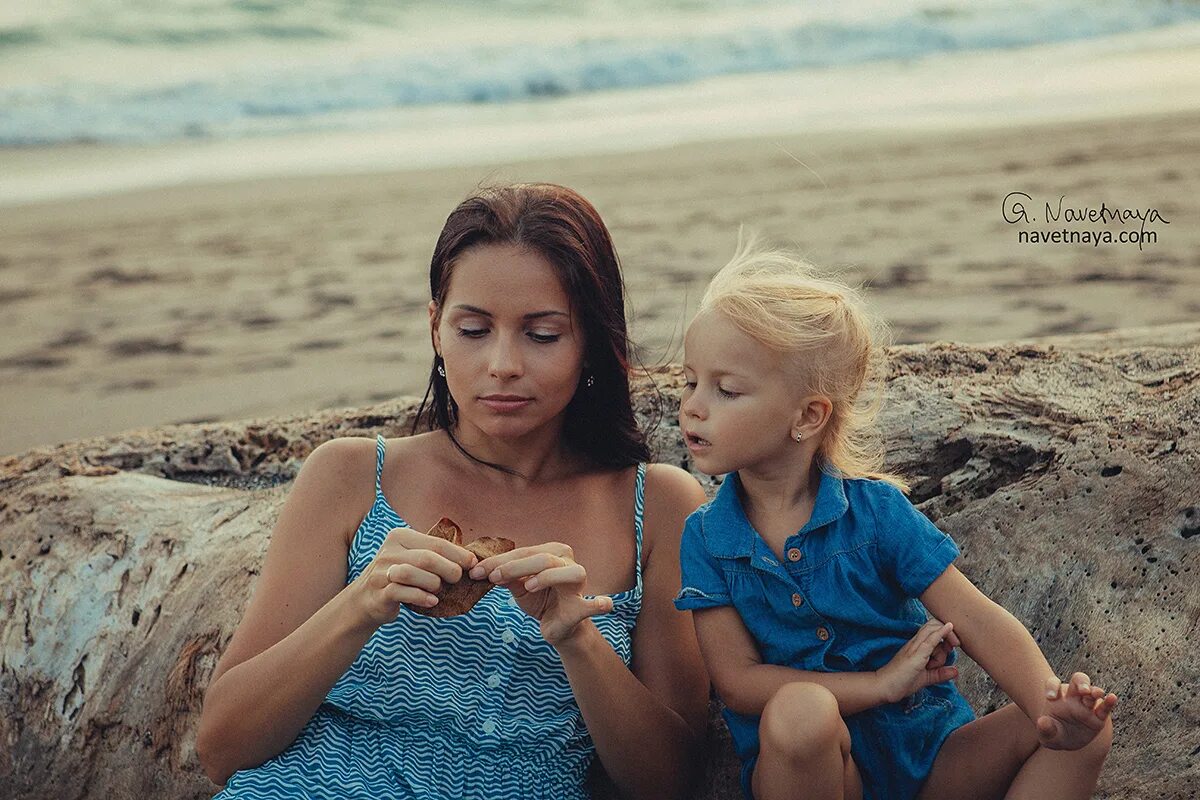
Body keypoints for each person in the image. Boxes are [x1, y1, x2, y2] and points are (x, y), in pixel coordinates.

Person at [196, 183, 710, 799]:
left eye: (542, 335)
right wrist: (360, 605)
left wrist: (577, 637)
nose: (502, 364)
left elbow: (672, 782)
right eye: (473, 329)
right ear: (436, 328)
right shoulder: (351, 477)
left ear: (592, 342)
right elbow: (223, 746)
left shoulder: (655, 507)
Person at [673, 237, 1117, 800]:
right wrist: (880, 685)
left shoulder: (877, 513)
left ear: (808, 417)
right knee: (799, 711)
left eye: (726, 389)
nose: (693, 404)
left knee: (1086, 736)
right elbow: (737, 684)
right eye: (689, 381)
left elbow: (977, 619)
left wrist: (1051, 705)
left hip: (931, 759)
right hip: (820, 772)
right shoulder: (707, 537)